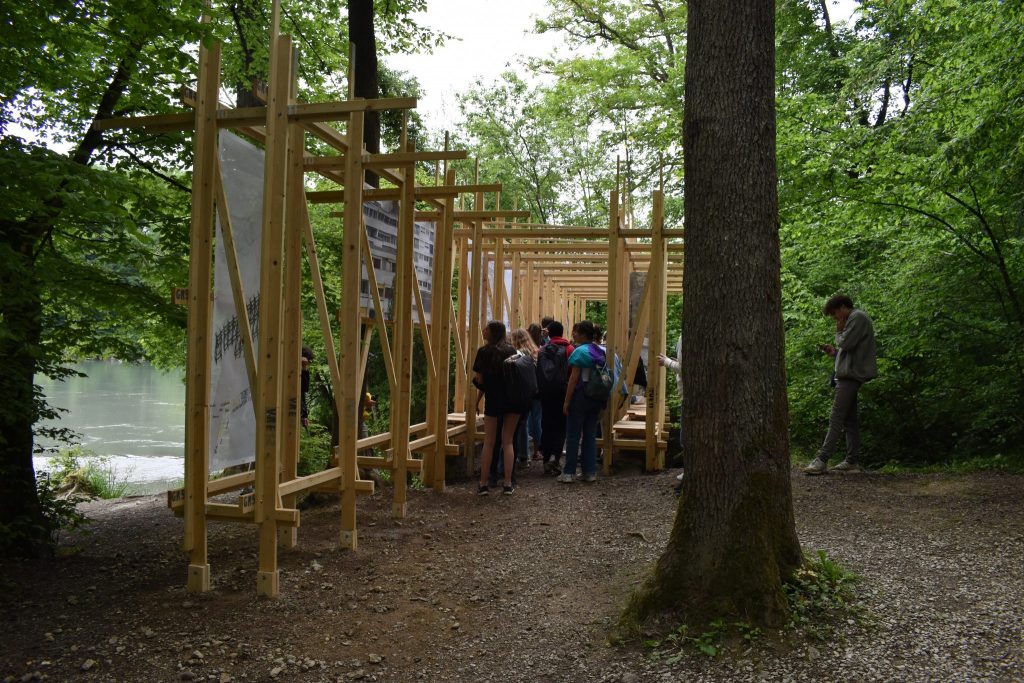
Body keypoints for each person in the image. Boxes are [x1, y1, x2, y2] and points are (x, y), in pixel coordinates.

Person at [805, 295, 878, 475]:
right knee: (849, 420)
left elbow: (846, 342)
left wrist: (839, 332)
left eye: (834, 314)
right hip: (848, 374)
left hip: (851, 376)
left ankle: (822, 460)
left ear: (843, 307)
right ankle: (852, 461)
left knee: (836, 417)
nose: (835, 318)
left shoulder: (857, 317)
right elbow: (849, 349)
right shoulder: (854, 319)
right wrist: (835, 353)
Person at [472, 321, 519, 495]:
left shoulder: (483, 352)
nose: (483, 330)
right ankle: (507, 483)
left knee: (489, 442)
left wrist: (478, 398)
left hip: (493, 400)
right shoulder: (512, 351)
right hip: (513, 400)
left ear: (492, 332)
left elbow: (480, 381)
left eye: (486, 329)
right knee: (508, 441)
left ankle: (483, 484)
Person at [559, 320, 606, 483]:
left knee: (573, 434)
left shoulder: (579, 352)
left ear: (584, 335)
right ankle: (590, 472)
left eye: (576, 332)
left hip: (580, 396)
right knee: (590, 435)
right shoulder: (600, 350)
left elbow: (573, 379)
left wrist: (566, 402)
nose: (574, 334)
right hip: (596, 397)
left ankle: (569, 472)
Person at [537, 321, 574, 474]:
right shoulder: (569, 349)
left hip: (546, 393)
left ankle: (546, 458)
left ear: (549, 334)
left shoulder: (542, 350)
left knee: (547, 423)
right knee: (561, 425)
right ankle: (555, 457)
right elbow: (572, 373)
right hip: (562, 392)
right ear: (562, 332)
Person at [658, 335, 684, 493]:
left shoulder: (685, 337)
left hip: (688, 396)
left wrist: (667, 362)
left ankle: (689, 473)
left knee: (686, 438)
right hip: (688, 396)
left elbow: (683, 368)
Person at [526, 323, 545, 461]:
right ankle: (537, 450)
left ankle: (524, 452)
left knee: (525, 421)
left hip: (526, 390)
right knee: (537, 420)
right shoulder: (541, 351)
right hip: (538, 390)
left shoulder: (525, 351)